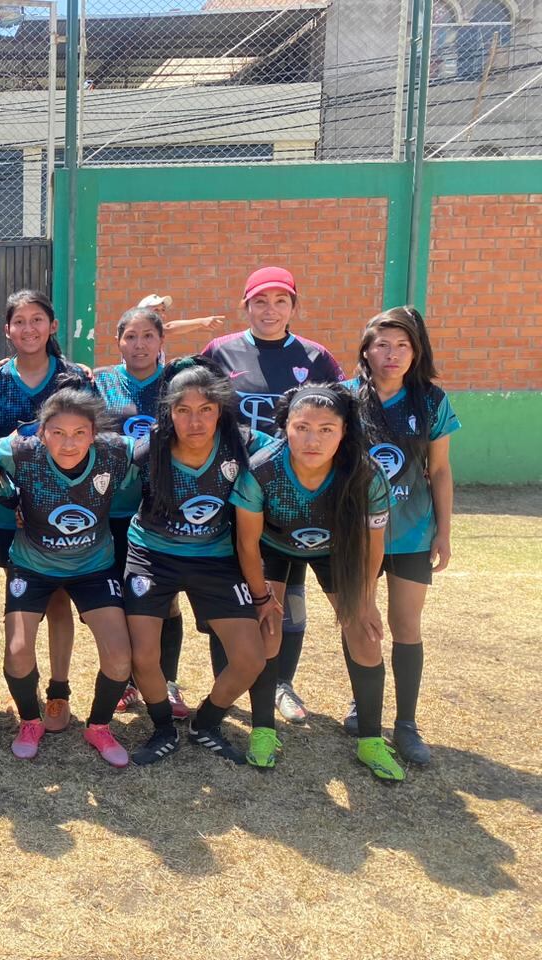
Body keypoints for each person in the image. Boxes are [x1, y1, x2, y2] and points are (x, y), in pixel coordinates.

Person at [232, 383, 397, 778]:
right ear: (285, 427)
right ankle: (264, 730)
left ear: (344, 432)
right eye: (302, 427)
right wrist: (260, 597)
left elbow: (373, 546)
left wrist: (367, 598)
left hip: (335, 548)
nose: (312, 439)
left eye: (326, 429)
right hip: (276, 545)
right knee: (268, 630)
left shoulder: (364, 473)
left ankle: (371, 740)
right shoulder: (262, 469)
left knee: (364, 632)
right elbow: (247, 543)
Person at [202, 267, 344, 724]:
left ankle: (282, 682)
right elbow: (195, 403)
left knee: (288, 593)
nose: (270, 310)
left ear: (294, 307)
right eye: (260, 301)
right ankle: (226, 679)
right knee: (232, 589)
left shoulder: (315, 357)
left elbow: (339, 416)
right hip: (229, 488)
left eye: (281, 301)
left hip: (290, 496)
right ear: (245, 306)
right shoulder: (219, 351)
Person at [123, 357, 269, 766]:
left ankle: (205, 721)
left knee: (250, 659)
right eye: (183, 410)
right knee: (142, 656)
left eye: (206, 409)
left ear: (220, 410)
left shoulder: (244, 444)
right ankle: (162, 726)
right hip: (152, 556)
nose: (195, 421)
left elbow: (295, 456)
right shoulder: (149, 448)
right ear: (169, 412)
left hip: (215, 559)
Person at [0, 389, 138, 765]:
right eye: (58, 433)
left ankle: (99, 727)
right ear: (41, 433)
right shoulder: (19, 451)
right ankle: (30, 720)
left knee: (120, 656)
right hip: (32, 564)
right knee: (18, 652)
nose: (69, 443)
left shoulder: (116, 451)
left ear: (94, 433)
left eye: (79, 433)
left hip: (93, 566)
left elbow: (169, 443)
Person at [344, 306, 459, 765]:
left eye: (402, 345)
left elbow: (442, 469)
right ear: (366, 352)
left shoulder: (431, 401)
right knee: (360, 622)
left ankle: (406, 723)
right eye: (382, 345)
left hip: (411, 534)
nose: (392, 354)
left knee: (404, 625)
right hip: (356, 536)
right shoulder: (346, 398)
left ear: (416, 352)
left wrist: (444, 532)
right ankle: (362, 701)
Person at [0, 289, 93, 734]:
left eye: (37, 319)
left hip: (68, 510)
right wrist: (8, 497)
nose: (28, 328)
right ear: (8, 330)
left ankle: (58, 691)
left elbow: (95, 443)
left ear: (53, 326)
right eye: (19, 321)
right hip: (12, 512)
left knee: (59, 598)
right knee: (25, 596)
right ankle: (25, 680)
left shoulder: (74, 378)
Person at [93, 306, 188, 721]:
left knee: (163, 602)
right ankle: (128, 682)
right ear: (118, 342)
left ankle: (166, 681)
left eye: (148, 336)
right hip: (113, 507)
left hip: (164, 508)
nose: (139, 344)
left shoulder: (177, 381)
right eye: (130, 336)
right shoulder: (101, 381)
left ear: (161, 341)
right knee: (123, 600)